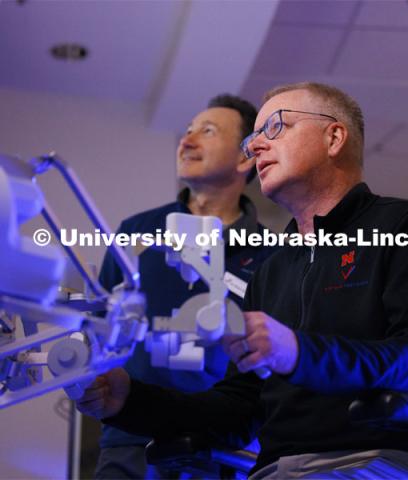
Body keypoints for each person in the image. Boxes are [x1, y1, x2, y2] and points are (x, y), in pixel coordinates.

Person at [78, 82, 408, 479]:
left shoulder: (405, 226)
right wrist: (129, 400)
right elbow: (238, 408)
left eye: (277, 127)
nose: (258, 147)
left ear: (334, 137)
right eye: (253, 139)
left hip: (379, 459)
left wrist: (298, 352)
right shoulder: (272, 268)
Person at [94, 94, 274, 479]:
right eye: (187, 131)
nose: (187, 140)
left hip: (225, 450)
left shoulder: (272, 254)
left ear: (246, 158)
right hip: (130, 442)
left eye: (207, 132)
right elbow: (97, 323)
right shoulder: (136, 232)